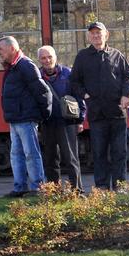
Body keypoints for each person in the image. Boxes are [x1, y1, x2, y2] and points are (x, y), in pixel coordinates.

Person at [70, 21, 129, 191]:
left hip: (117, 112)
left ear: (106, 35)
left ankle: (120, 186)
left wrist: (126, 94)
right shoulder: (82, 57)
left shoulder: (117, 55)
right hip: (97, 113)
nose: (96, 36)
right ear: (88, 37)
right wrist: (84, 94)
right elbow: (74, 81)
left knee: (119, 152)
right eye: (93, 33)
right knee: (99, 152)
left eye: (99, 33)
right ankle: (102, 187)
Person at [0, 36, 50, 197]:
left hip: (26, 118)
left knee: (30, 154)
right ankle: (20, 187)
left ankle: (38, 188)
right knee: (16, 155)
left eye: (1, 49)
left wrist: (43, 114)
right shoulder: (14, 67)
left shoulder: (25, 65)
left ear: (12, 49)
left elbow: (43, 91)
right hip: (15, 118)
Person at [37, 45, 84, 191]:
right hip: (47, 123)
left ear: (55, 57)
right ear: (39, 60)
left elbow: (79, 97)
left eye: (49, 57)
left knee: (71, 159)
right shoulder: (37, 76)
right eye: (43, 58)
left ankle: (77, 190)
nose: (47, 60)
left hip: (67, 122)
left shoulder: (68, 74)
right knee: (50, 160)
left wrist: (80, 119)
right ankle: (54, 192)